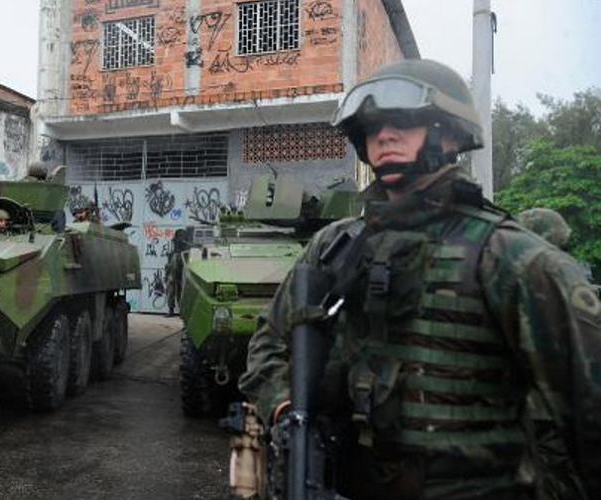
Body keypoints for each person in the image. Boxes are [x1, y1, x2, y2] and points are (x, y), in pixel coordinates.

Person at [239, 59, 601, 500]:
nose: (384, 135)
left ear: (450, 134)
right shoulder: (334, 246)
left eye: (403, 122)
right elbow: (268, 343)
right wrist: (285, 410)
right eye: (372, 127)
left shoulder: (512, 257)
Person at [165, 229, 186, 317]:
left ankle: (179, 311)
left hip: (179, 271)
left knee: (179, 292)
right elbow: (169, 256)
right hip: (173, 271)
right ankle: (173, 311)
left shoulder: (184, 245)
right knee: (172, 291)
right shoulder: (173, 244)